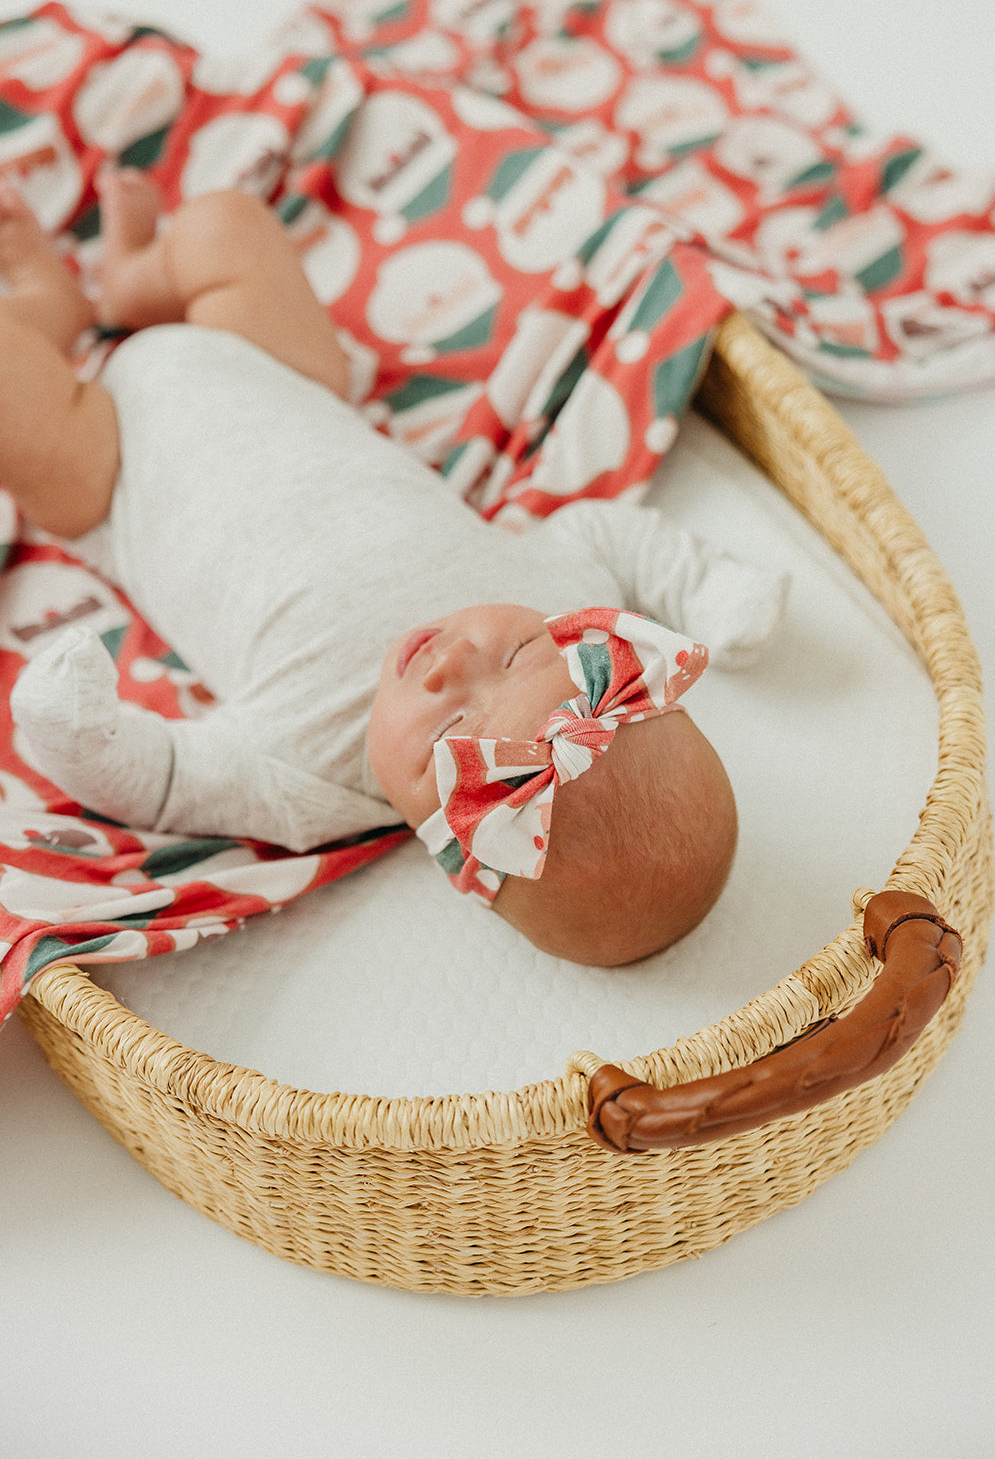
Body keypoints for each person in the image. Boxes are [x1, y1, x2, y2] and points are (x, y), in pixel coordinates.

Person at [0, 171, 785, 965]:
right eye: (514, 654)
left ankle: (43, 313)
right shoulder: (560, 602)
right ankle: (133, 280)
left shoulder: (313, 779)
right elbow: (611, 536)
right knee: (223, 227)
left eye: (447, 730)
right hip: (278, 374)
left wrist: (76, 728)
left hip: (111, 465)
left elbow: (164, 778)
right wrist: (710, 588)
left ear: (439, 836)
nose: (451, 663)